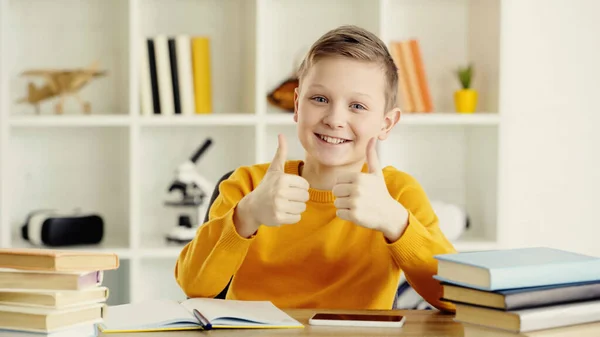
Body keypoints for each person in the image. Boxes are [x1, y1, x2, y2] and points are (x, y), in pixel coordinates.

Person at [174, 25, 456, 312]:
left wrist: (396, 223)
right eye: (320, 99)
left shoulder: (398, 193)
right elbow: (194, 285)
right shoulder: (248, 184)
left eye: (357, 106)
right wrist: (247, 215)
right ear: (297, 105)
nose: (334, 119)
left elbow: (458, 298)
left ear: (386, 124)